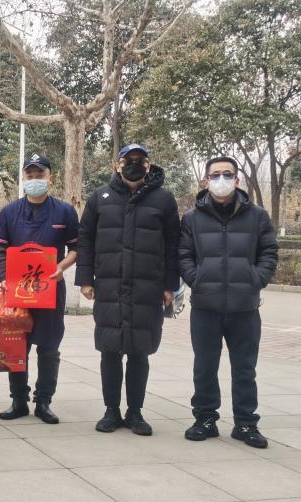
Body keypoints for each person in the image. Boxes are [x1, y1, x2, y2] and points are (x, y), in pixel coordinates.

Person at [75, 143, 180, 436]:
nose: (134, 164)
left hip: (147, 288)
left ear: (148, 165)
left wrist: (170, 285)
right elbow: (85, 239)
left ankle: (135, 413)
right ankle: (111, 411)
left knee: (139, 352)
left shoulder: (164, 200)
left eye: (140, 160)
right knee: (109, 351)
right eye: (128, 160)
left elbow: (173, 245)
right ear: (117, 165)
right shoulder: (100, 197)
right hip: (109, 286)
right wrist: (85, 279)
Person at [179, 156, 278, 449]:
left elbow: (269, 252)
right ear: (205, 180)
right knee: (204, 367)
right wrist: (196, 279)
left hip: (244, 307)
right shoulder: (192, 218)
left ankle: (246, 424)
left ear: (237, 179)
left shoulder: (257, 216)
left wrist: (255, 279)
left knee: (245, 369)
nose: (221, 179)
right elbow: (183, 255)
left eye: (227, 174)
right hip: (205, 306)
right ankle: (205, 419)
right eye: (215, 175)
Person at [0, 155, 79, 423]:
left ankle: (44, 401)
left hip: (50, 289)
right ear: (23, 179)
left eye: (40, 175)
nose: (35, 180)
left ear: (50, 177)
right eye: (30, 176)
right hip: (17, 293)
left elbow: (77, 248)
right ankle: (18, 400)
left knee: (49, 348)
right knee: (16, 346)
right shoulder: (9, 212)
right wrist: (4, 278)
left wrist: (61, 267)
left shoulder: (65, 211)